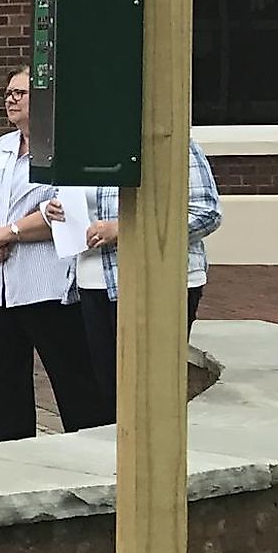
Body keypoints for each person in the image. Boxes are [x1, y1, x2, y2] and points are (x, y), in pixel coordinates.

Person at [0, 69, 106, 443]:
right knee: (2, 389)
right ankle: (7, 461)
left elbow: (67, 209)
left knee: (74, 385)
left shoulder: (65, 149)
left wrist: (11, 232)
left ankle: (90, 458)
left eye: (20, 92)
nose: (11, 98)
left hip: (47, 286)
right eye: (8, 93)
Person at [49, 144, 223, 417]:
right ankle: (114, 458)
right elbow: (70, 199)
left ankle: (156, 459)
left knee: (148, 391)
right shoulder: (83, 144)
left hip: (155, 282)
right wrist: (54, 211)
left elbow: (206, 213)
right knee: (109, 389)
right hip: (92, 281)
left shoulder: (174, 144)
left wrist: (123, 228)